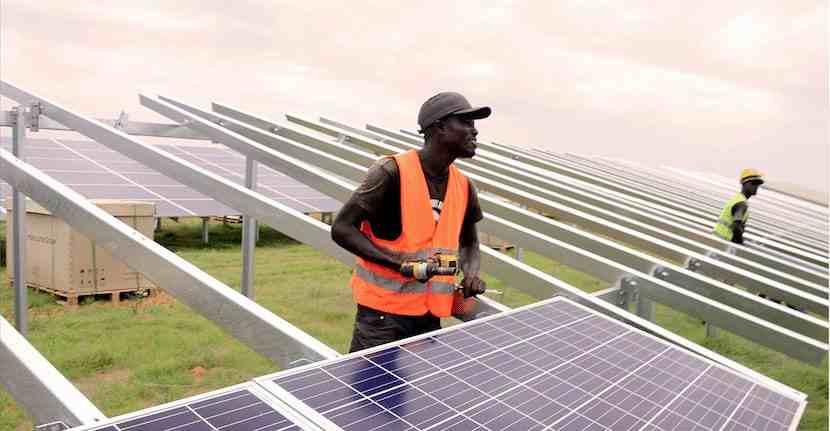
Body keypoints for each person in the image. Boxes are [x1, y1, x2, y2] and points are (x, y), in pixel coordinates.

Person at [331, 92, 489, 352]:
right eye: (466, 123)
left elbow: (470, 241)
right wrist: (400, 265)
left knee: (419, 390)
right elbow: (341, 228)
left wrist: (471, 274)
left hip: (429, 315)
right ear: (439, 127)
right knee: (373, 390)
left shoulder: (463, 185)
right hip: (383, 317)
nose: (475, 131)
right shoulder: (391, 173)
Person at [713, 168, 764, 245]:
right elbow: (736, 226)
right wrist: (740, 244)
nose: (756, 186)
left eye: (757, 184)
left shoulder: (737, 198)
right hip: (723, 243)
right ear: (744, 183)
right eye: (753, 183)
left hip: (718, 241)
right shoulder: (741, 204)